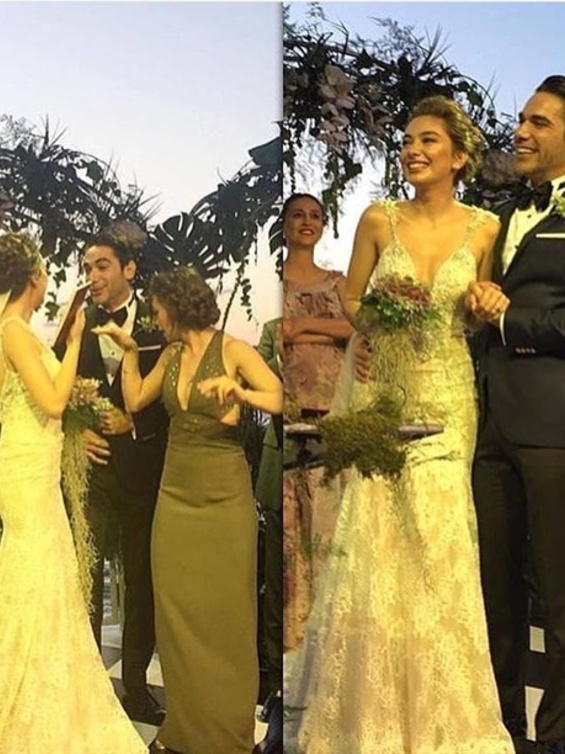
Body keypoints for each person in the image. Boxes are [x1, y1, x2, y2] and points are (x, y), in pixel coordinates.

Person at [285, 95, 514, 753]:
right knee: (378, 543)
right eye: (407, 140)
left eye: (427, 140)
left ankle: (448, 718)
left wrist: (483, 303)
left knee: (438, 547)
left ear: (459, 157)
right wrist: (370, 327)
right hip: (382, 393)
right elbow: (352, 298)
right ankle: (374, 715)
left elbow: (483, 313)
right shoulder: (377, 219)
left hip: (447, 398)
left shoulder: (485, 230)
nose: (412, 150)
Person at [94, 268, 283, 754]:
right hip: (175, 496)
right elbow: (136, 399)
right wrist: (130, 353)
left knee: (225, 615)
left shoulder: (233, 350)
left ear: (177, 306)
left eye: (158, 310)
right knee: (177, 613)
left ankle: (227, 734)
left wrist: (241, 393)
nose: (154, 318)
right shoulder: (171, 355)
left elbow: (279, 396)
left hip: (224, 497)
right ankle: (184, 729)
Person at [0, 232, 146, 752]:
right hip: (25, 470)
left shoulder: (15, 329)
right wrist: (76, 339)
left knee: (47, 570)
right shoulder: (13, 330)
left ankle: (44, 677)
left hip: (33, 466)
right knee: (34, 569)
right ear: (32, 278)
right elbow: (53, 402)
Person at [468, 75, 565, 754]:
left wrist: (508, 321)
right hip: (487, 425)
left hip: (554, 426)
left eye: (540, 123)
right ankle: (502, 730)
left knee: (559, 597)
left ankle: (557, 735)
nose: (520, 132)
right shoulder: (500, 214)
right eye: (521, 120)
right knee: (493, 593)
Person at [63, 220, 168, 727]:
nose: (92, 275)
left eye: (101, 265)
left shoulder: (157, 322)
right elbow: (57, 386)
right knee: (85, 577)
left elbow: (174, 394)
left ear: (129, 269)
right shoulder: (77, 320)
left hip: (143, 472)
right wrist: (77, 430)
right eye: (87, 267)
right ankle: (85, 684)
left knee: (141, 582)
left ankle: (136, 688)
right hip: (92, 474)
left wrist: (136, 422)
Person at [282, 193, 354, 650]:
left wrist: (304, 329)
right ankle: (294, 630)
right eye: (298, 215)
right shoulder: (275, 281)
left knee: (327, 520)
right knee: (290, 526)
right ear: (285, 224)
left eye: (315, 216)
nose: (307, 222)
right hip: (287, 411)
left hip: (330, 412)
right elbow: (276, 333)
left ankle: (331, 630)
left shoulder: (337, 281)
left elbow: (354, 327)